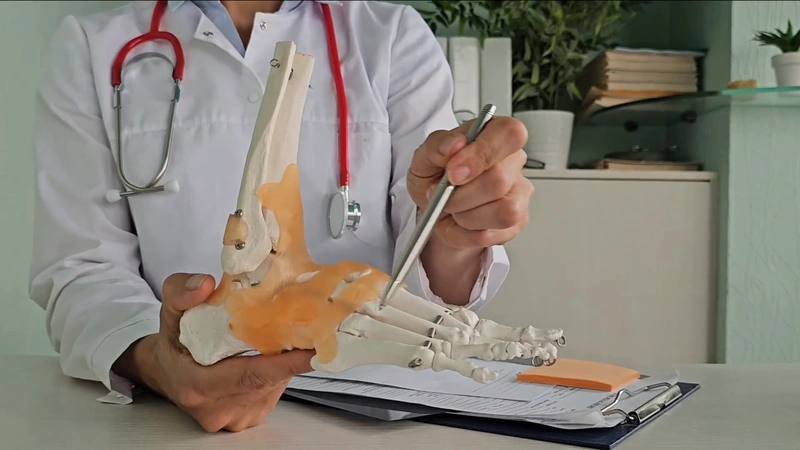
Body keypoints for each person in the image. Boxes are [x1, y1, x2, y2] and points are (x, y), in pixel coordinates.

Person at [28, 0, 533, 433]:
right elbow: (81, 267)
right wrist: (159, 361)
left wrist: (457, 228)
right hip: (172, 419)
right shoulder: (94, 47)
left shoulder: (391, 35)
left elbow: (434, 254)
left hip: (373, 416)